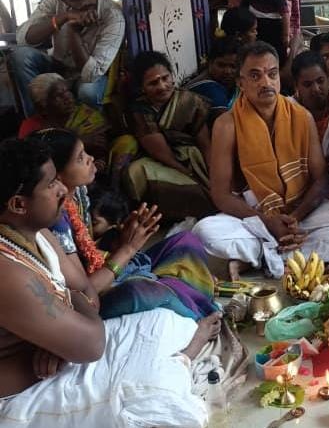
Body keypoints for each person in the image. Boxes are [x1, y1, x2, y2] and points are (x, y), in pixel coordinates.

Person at [0, 136, 220, 428]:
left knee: (164, 319)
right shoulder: (7, 271)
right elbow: (91, 343)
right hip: (19, 399)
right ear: (19, 204)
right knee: (155, 400)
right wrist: (66, 326)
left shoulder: (37, 233)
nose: (61, 190)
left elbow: (88, 293)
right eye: (51, 184)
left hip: (64, 355)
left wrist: (61, 331)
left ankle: (129, 416)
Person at [192, 41, 329, 278]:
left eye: (272, 74)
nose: (266, 83)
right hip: (253, 214)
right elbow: (220, 195)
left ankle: (263, 257)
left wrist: (294, 219)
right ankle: (284, 254)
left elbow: (320, 178)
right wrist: (267, 222)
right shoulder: (227, 124)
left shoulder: (302, 117)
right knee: (205, 233)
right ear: (241, 82)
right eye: (255, 76)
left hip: (300, 211)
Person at [42, 128, 218, 322]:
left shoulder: (78, 193)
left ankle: (186, 295)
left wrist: (123, 240)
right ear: (56, 176)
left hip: (104, 274)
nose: (90, 159)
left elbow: (90, 253)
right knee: (141, 290)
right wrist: (128, 249)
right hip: (90, 303)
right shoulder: (55, 220)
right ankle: (199, 318)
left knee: (186, 241)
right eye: (80, 158)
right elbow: (83, 294)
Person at [10, 0, 125, 115]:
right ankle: (38, 121)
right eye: (76, 1)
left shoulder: (113, 17)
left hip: (86, 76)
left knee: (88, 91)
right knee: (21, 56)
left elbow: (91, 75)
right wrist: (63, 18)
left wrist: (73, 31)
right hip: (57, 66)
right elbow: (23, 38)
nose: (84, 4)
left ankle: (90, 125)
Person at [126, 51, 214, 221]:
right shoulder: (140, 110)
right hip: (165, 161)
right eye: (153, 83)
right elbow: (161, 153)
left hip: (194, 160)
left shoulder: (190, 101)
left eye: (165, 78)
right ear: (142, 87)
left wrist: (212, 173)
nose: (162, 86)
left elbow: (205, 144)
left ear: (172, 76)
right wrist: (186, 174)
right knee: (136, 171)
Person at [18, 72, 110, 169]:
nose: (68, 97)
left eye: (67, 91)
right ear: (42, 107)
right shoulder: (31, 128)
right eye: (59, 96)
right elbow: (33, 162)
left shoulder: (88, 117)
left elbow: (101, 149)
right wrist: (78, 143)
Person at [186, 35, 240, 119]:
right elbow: (226, 121)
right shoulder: (209, 87)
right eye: (221, 65)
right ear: (210, 63)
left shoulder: (228, 83)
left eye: (233, 66)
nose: (227, 71)